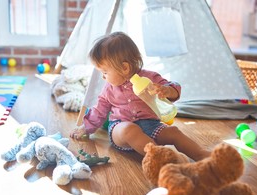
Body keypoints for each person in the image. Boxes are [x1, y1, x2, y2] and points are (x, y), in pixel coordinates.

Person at [70, 32, 210, 161]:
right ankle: (160, 157)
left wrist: (166, 91)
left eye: (105, 72)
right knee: (130, 130)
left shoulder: (150, 78)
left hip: (151, 126)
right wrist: (85, 128)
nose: (103, 76)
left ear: (125, 68)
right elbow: (99, 111)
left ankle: (202, 154)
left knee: (173, 132)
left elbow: (174, 87)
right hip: (120, 128)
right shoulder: (109, 89)